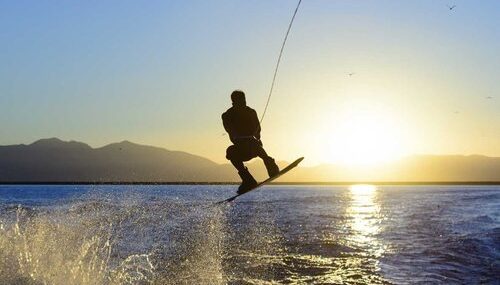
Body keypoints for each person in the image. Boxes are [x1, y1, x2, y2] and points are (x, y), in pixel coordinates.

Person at [222, 90, 280, 194]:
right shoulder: (227, 115)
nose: (243, 104)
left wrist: (256, 134)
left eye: (244, 101)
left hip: (253, 148)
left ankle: (271, 167)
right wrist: (236, 135)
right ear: (233, 102)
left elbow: (258, 131)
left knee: (254, 144)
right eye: (240, 102)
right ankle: (248, 180)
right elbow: (229, 129)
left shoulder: (251, 112)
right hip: (240, 150)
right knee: (230, 151)